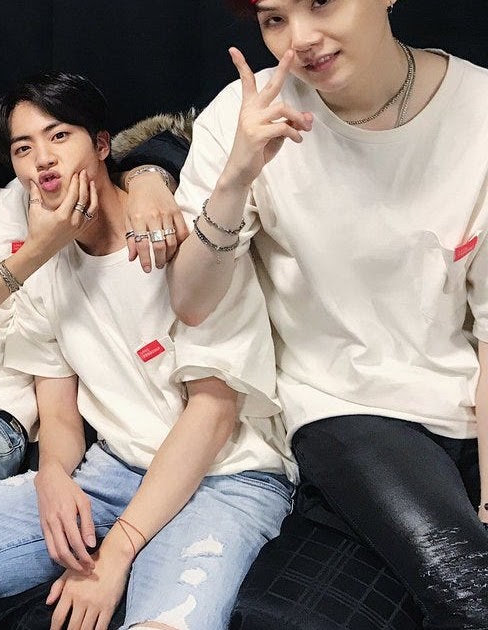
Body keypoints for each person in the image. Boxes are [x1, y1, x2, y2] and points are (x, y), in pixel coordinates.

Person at [0, 72, 294, 630]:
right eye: (23, 148)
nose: (42, 159)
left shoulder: (192, 236)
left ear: (103, 144)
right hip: (114, 471)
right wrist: (53, 476)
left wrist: (118, 550)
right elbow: (59, 410)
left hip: (227, 474)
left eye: (60, 136)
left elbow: (213, 413)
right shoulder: (42, 264)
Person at [170, 0, 488, 626]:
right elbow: (192, 302)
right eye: (274, 19)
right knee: (467, 593)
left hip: (464, 409)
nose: (302, 38)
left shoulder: (477, 113)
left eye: (320, 3)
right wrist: (235, 179)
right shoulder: (245, 115)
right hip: (342, 408)